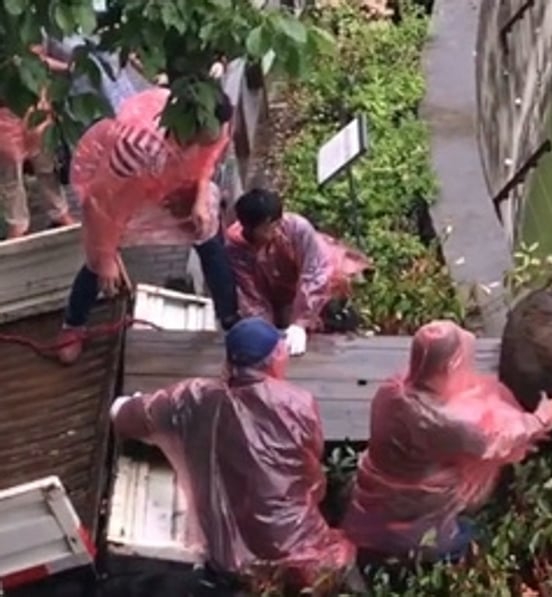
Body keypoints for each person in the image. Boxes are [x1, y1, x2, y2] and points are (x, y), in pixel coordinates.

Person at [110, 317, 367, 594]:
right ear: (275, 358)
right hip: (295, 542)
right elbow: (312, 478)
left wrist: (132, 402)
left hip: (227, 555)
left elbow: (121, 415)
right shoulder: (299, 403)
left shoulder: (193, 396)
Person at [341, 320, 552, 563]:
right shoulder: (444, 421)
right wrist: (542, 418)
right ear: (450, 366)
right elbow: (494, 441)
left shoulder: (391, 390)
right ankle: (436, 549)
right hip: (416, 504)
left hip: (374, 488)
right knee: (468, 537)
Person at [55, 86, 240, 364]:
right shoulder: (137, 145)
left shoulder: (215, 125)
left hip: (174, 178)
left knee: (208, 238)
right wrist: (106, 255)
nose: (216, 137)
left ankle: (230, 320)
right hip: (122, 189)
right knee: (97, 266)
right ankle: (74, 324)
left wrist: (199, 195)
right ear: (191, 124)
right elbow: (100, 200)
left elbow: (208, 158)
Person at [225, 187, 371, 356]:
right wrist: (263, 331)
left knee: (326, 328)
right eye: (267, 229)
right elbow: (250, 293)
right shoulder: (236, 247)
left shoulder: (297, 229)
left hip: (317, 282)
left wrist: (300, 322)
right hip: (275, 292)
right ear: (248, 228)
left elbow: (315, 274)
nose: (274, 232)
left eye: (276, 225)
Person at [0, 44, 76, 240]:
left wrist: (67, 67)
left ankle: (59, 212)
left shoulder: (28, 27)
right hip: (4, 113)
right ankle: (16, 223)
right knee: (10, 173)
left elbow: (37, 60)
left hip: (37, 107)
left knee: (46, 165)